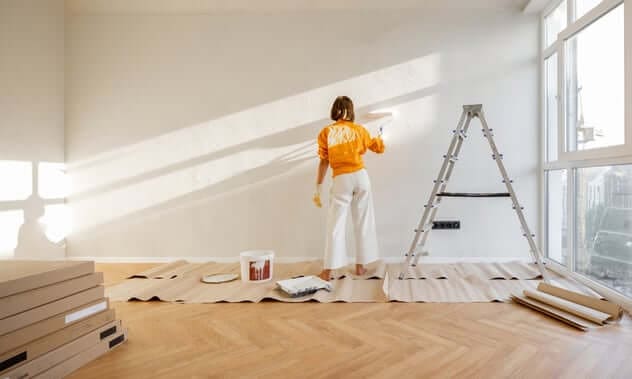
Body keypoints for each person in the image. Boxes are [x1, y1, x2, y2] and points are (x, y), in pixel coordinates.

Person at [313, 96, 385, 281]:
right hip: (361, 177)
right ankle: (360, 267)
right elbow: (377, 147)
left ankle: (328, 272)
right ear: (351, 111)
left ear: (334, 110)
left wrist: (318, 186)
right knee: (363, 222)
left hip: (341, 179)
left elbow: (324, 161)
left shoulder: (327, 132)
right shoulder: (360, 130)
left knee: (335, 225)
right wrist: (380, 135)